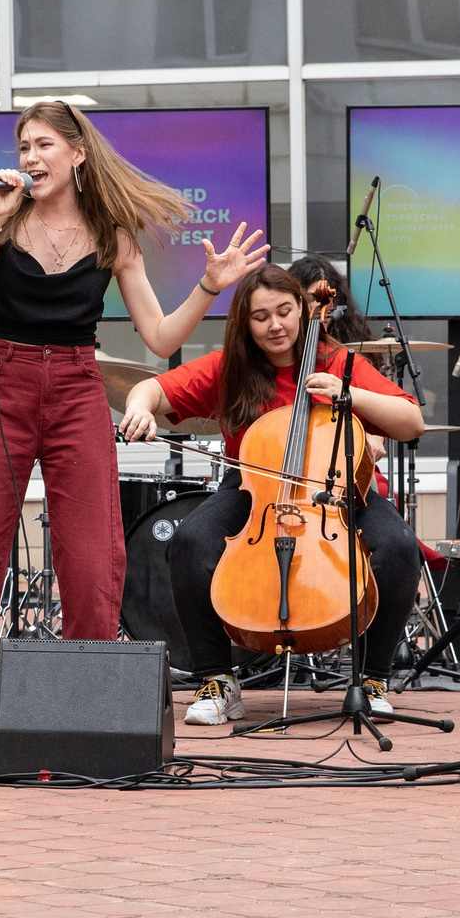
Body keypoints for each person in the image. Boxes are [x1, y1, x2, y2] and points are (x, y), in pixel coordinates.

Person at [0, 100, 269, 761]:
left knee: (92, 560)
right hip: (4, 385)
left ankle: (83, 720)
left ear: (76, 153)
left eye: (42, 145)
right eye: (23, 146)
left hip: (75, 387)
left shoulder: (111, 232)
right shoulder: (1, 223)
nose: (31, 157)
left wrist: (209, 286)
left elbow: (159, 336)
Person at [119, 264, 426, 726]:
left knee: (399, 547)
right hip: (253, 489)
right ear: (245, 322)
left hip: (337, 490)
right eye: (261, 317)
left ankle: (371, 680)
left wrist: (350, 397)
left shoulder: (338, 363)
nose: (275, 325)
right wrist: (139, 408)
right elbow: (152, 389)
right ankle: (217, 681)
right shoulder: (231, 368)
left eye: (284, 311)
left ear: (304, 310)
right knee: (190, 542)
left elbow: (411, 421)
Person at [287, 255, 377, 347]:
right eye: (311, 298)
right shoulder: (285, 347)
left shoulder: (351, 344)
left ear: (335, 300)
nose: (319, 305)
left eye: (326, 297)